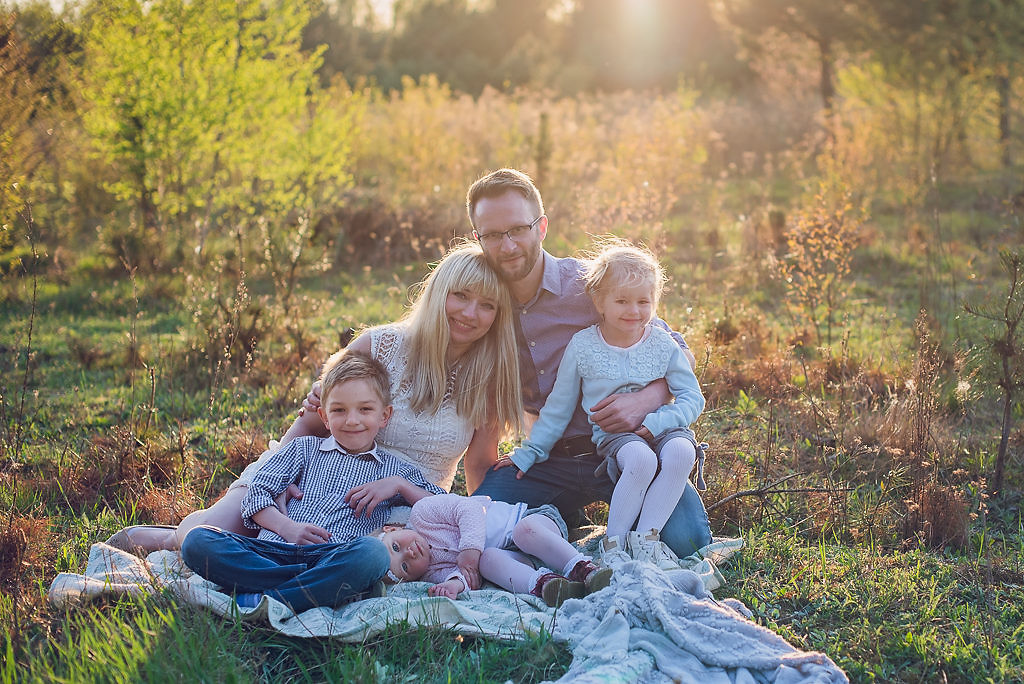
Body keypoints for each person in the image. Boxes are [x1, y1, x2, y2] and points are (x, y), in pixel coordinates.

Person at [107, 243, 522, 555]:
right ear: (438, 294)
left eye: (487, 305)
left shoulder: (489, 381)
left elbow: (479, 468)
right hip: (318, 478)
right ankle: (173, 536)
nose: (471, 313)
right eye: (461, 296)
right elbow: (312, 422)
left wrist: (488, 525)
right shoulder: (379, 346)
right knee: (209, 536)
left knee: (362, 564)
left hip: (403, 507)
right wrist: (281, 478)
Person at [466, 168, 713, 560]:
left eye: (518, 229)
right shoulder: (480, 307)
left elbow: (680, 353)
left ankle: (593, 519)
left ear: (541, 227)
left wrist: (645, 400)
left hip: (625, 447)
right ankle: (563, 515)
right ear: (477, 238)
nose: (508, 245)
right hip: (547, 460)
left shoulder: (592, 286)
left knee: (686, 543)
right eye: (493, 235)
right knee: (481, 526)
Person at [180, 352, 445, 613]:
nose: (352, 420)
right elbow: (257, 493)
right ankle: (305, 592)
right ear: (324, 417)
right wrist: (288, 528)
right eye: (339, 410)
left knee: (373, 555)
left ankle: (266, 597)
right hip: (270, 551)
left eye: (365, 409)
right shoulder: (303, 449)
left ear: (384, 416)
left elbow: (442, 507)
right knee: (198, 540)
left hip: (331, 558)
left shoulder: (393, 470)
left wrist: (400, 486)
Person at [508, 240, 705, 570]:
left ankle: (645, 541)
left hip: (666, 428)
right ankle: (614, 545)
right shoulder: (583, 346)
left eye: (644, 301)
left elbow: (692, 397)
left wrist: (658, 422)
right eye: (622, 301)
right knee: (640, 458)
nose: (634, 311)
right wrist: (531, 452)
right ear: (599, 302)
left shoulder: (661, 342)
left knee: (682, 452)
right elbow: (558, 407)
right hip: (616, 437)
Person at [375, 492, 612, 607]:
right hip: (520, 558)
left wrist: (469, 549)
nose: (409, 553)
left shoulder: (422, 513)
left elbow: (469, 510)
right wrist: (454, 585)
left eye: (396, 546)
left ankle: (584, 569)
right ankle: (548, 585)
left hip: (535, 522)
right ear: (410, 579)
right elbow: (469, 578)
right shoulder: (429, 573)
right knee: (487, 561)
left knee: (524, 531)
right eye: (405, 566)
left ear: (392, 529)